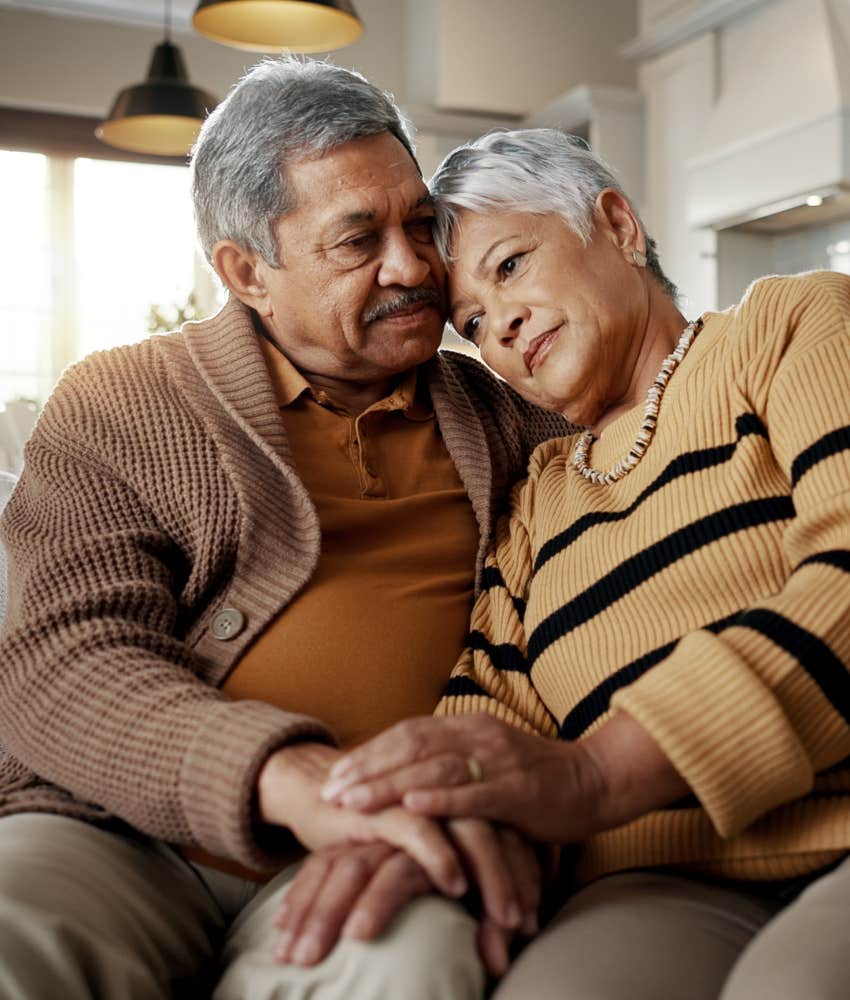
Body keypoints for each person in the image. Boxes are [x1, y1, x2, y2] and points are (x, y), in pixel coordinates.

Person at [0, 69, 567, 999]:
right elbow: (63, 657)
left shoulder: (512, 415)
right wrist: (285, 775)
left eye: (421, 224)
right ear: (246, 272)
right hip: (113, 835)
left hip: (387, 844)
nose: (414, 266)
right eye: (358, 240)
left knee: (412, 965)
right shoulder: (121, 400)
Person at [321, 128, 850, 999]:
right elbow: (490, 712)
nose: (503, 327)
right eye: (475, 325)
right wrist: (417, 828)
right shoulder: (537, 500)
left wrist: (601, 773)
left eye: (511, 265)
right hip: (651, 882)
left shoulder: (786, 329)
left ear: (617, 225)